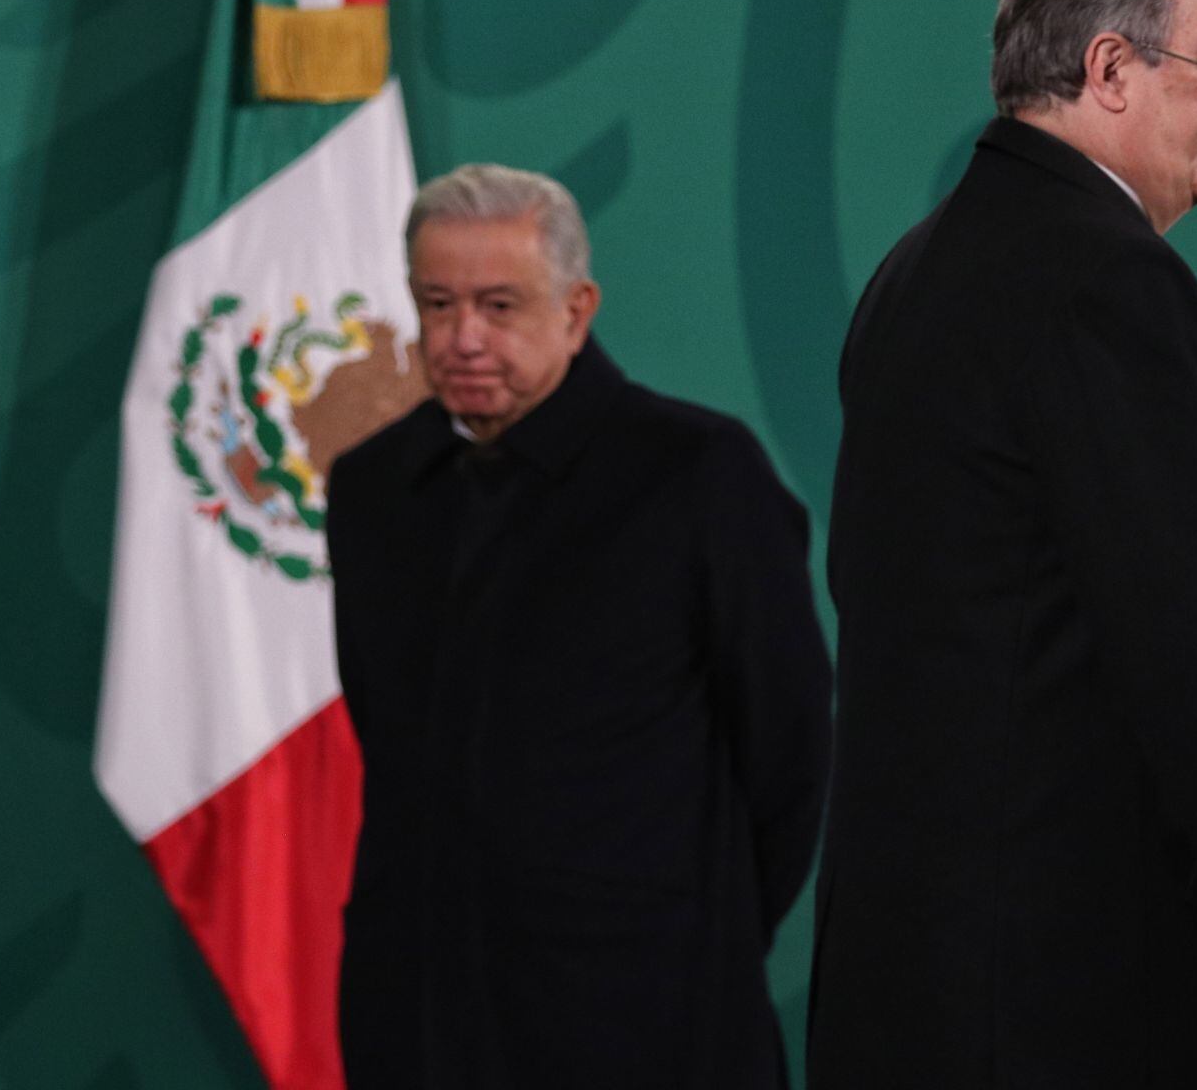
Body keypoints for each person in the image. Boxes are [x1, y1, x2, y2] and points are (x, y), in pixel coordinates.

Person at [809, 0, 1197, 1089]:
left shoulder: (913, 272)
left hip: (925, 980)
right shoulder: (1101, 276)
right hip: (1082, 993)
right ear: (1109, 68)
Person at [325, 164, 833, 1089]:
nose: (463, 337)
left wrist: (700, 935)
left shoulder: (698, 474)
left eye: (499, 305)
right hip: (418, 1012)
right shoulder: (371, 489)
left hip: (647, 1012)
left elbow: (788, 751)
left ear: (576, 308)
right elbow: (392, 741)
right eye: (437, 305)